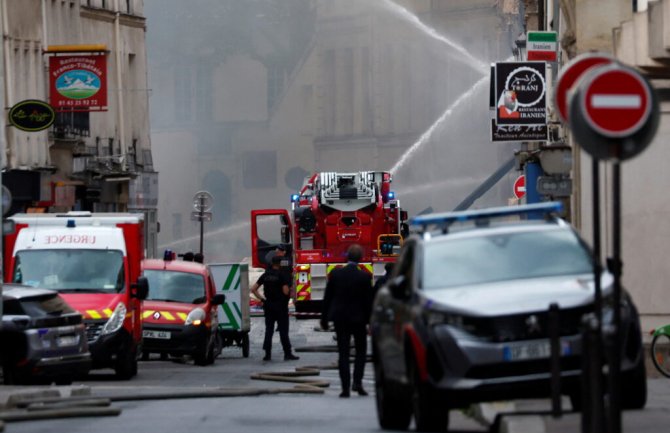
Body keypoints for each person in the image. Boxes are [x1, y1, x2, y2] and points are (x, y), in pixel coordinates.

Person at [321, 244, 374, 398]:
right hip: (358, 319)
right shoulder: (364, 277)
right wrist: (370, 322)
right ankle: (357, 382)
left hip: (340, 318)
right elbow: (368, 302)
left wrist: (324, 318)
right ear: (361, 259)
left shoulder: (336, 275)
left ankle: (345, 388)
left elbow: (328, 298)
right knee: (360, 352)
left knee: (343, 353)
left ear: (346, 257)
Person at [250, 255, 300, 362]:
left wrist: (263, 300)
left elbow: (253, 289)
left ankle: (267, 354)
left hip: (269, 306)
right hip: (280, 306)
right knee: (283, 331)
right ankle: (287, 353)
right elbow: (285, 291)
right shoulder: (282, 275)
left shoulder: (265, 275)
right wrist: (290, 290)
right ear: (280, 264)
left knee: (269, 330)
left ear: (272, 263)